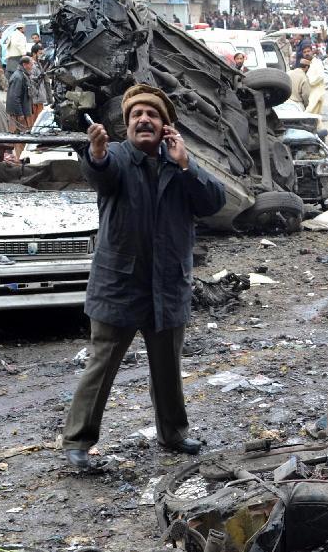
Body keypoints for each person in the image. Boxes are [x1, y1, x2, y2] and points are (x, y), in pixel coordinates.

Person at [62, 84, 226, 469]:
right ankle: (78, 441)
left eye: (152, 115)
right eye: (136, 115)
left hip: (167, 284)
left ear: (166, 126)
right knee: (102, 364)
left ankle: (173, 434)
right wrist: (97, 153)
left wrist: (186, 165)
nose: (144, 120)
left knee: (167, 365)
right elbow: (100, 174)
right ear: (127, 125)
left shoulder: (179, 162)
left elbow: (214, 203)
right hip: (119, 284)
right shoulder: (115, 156)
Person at [28, 44, 51, 125]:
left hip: (39, 97)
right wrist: (38, 77)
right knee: (35, 120)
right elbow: (30, 79)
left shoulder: (39, 63)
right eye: (40, 53)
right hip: (35, 97)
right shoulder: (31, 65)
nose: (41, 56)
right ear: (34, 54)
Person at [305, 47, 326, 117]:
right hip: (310, 94)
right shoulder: (306, 64)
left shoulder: (317, 62)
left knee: (311, 115)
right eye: (304, 52)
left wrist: (310, 82)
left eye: (308, 51)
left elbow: (320, 76)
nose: (306, 53)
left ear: (312, 52)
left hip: (317, 94)